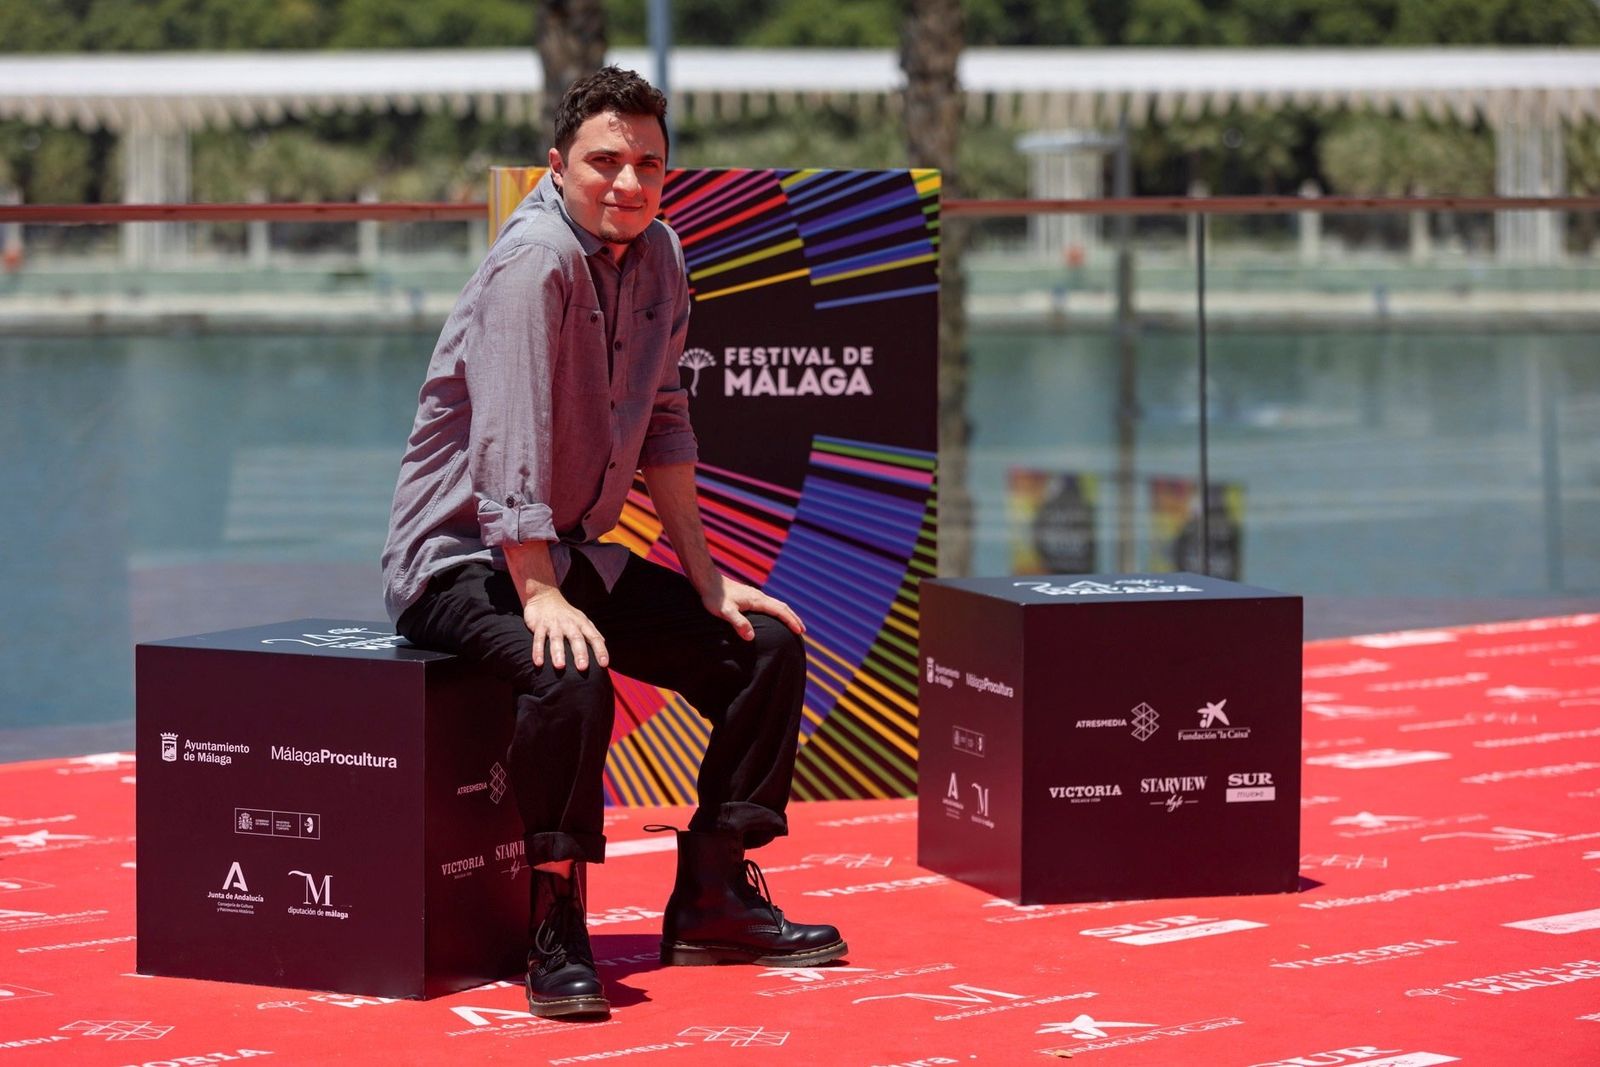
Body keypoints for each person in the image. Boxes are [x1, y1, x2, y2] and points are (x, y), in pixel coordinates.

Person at [380, 66, 846, 1020]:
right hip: (461, 559)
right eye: (605, 162)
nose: (628, 182)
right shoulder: (534, 263)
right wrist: (538, 590)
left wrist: (710, 580)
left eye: (648, 164)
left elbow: (666, 419)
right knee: (569, 672)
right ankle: (555, 921)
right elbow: (507, 440)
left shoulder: (661, 253)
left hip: (568, 554)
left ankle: (714, 897)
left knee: (764, 646)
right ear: (557, 166)